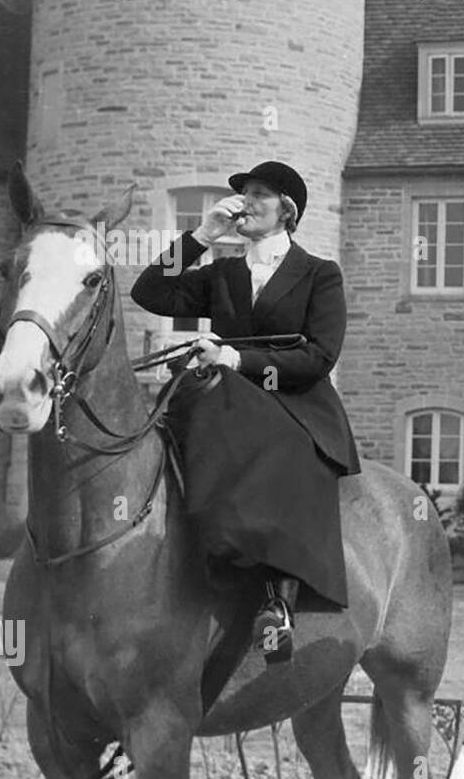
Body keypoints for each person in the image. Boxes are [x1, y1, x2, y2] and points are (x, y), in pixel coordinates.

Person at [131, 161, 359, 662]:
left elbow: (320, 357)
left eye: (260, 195)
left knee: (266, 438)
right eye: (244, 194)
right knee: (168, 425)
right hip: (226, 397)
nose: (247, 202)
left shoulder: (320, 274)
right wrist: (201, 236)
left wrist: (237, 357)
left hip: (294, 402)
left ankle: (276, 602)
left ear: (287, 211)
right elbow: (149, 292)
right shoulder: (224, 273)